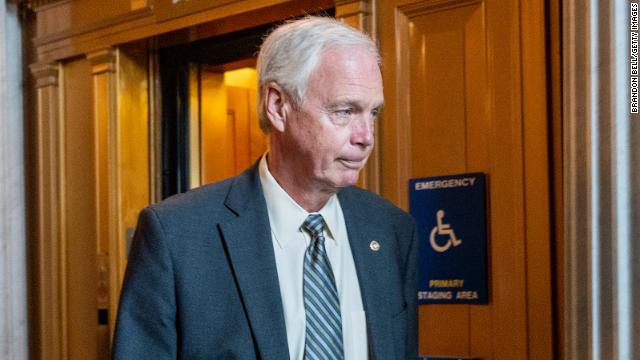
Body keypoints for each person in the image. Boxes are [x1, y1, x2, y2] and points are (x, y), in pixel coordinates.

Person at [112, 16, 418, 359]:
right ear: (278, 106)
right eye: (345, 111)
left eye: (372, 113)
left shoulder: (391, 231)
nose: (366, 137)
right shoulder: (178, 237)